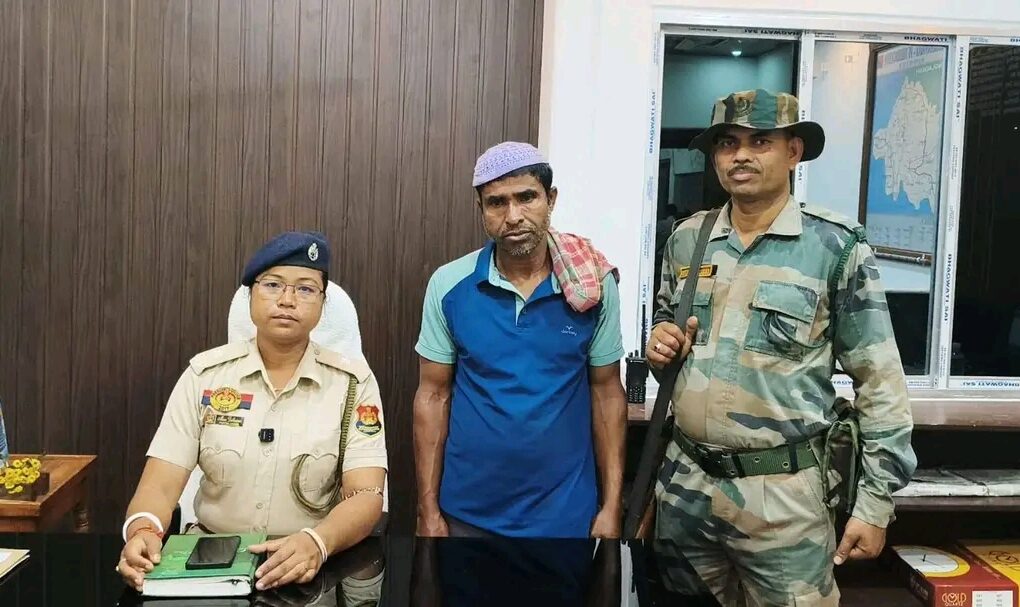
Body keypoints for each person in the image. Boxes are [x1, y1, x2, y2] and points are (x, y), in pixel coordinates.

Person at [646, 90, 917, 606]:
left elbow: (880, 382)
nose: (741, 155)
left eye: (760, 142)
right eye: (728, 143)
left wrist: (874, 505)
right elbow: (668, 326)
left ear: (793, 152)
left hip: (784, 503)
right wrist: (661, 342)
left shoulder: (835, 247)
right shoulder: (687, 239)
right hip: (686, 492)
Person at [116, 232, 387, 592]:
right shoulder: (204, 377)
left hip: (312, 565)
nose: (287, 300)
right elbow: (160, 486)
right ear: (250, 296)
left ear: (323, 304)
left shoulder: (353, 385)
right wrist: (144, 530)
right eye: (273, 285)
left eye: (305, 289)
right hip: (210, 565)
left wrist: (318, 542)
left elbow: (366, 493)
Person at [414, 141, 627, 538]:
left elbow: (607, 393)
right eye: (497, 203)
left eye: (527, 197)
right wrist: (427, 510)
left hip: (566, 518)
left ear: (551, 199)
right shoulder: (449, 284)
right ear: (481, 209)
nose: (513, 216)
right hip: (467, 515)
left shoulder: (591, 286)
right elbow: (433, 396)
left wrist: (612, 506)